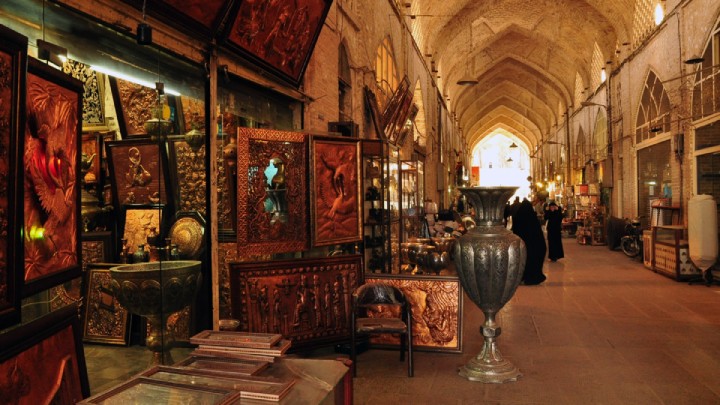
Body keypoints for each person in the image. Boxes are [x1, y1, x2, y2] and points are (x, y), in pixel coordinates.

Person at [512, 199, 547, 285]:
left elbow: (515, 231)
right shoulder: (533, 218)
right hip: (535, 245)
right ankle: (533, 277)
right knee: (533, 261)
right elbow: (538, 234)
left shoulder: (518, 217)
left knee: (524, 262)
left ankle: (523, 277)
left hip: (523, 245)